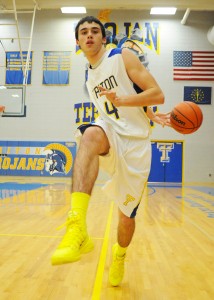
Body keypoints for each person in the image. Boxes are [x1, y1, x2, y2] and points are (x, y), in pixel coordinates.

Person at [51, 16, 170, 287]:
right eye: (84, 32)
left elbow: (157, 92)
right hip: (111, 133)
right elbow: (118, 107)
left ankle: (120, 255)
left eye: (95, 31)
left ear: (104, 38)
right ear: (78, 42)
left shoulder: (122, 56)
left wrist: (140, 106)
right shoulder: (90, 72)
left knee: (126, 218)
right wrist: (146, 110)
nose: (90, 35)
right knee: (90, 134)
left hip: (136, 145)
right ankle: (77, 226)